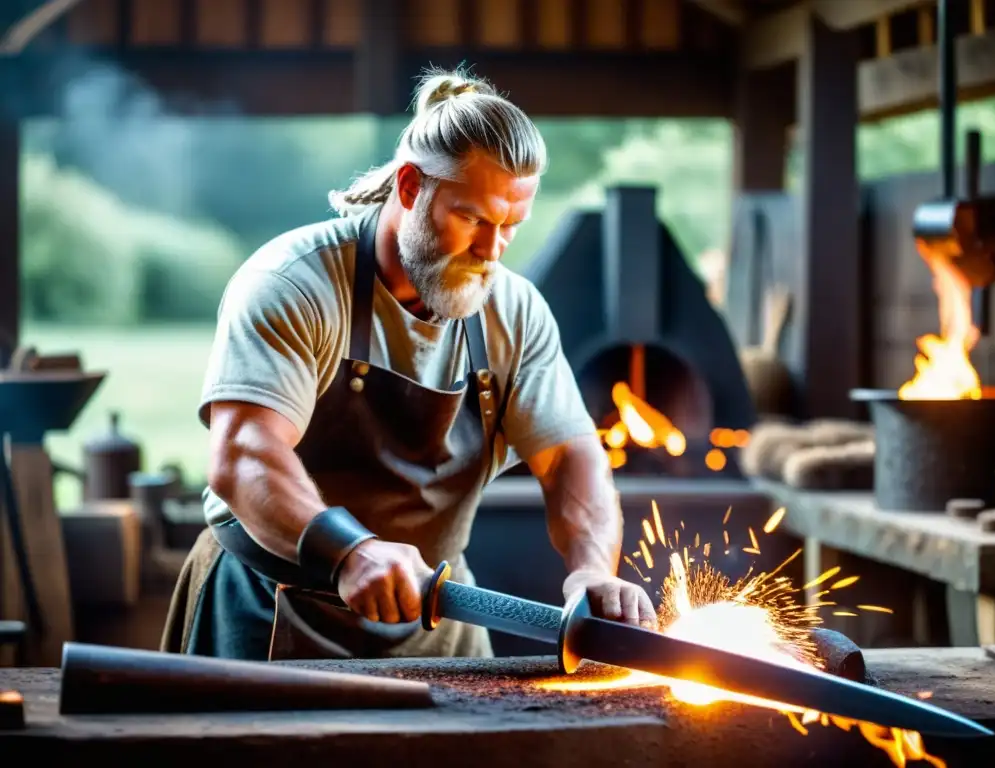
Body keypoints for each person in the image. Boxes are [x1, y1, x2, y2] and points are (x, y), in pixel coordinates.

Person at [160, 67, 657, 662]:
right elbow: (243, 453)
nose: (491, 251)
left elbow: (571, 458)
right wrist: (351, 551)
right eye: (473, 219)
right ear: (409, 186)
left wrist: (592, 570)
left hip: (439, 618)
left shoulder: (514, 310)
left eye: (510, 228)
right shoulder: (294, 282)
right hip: (270, 606)